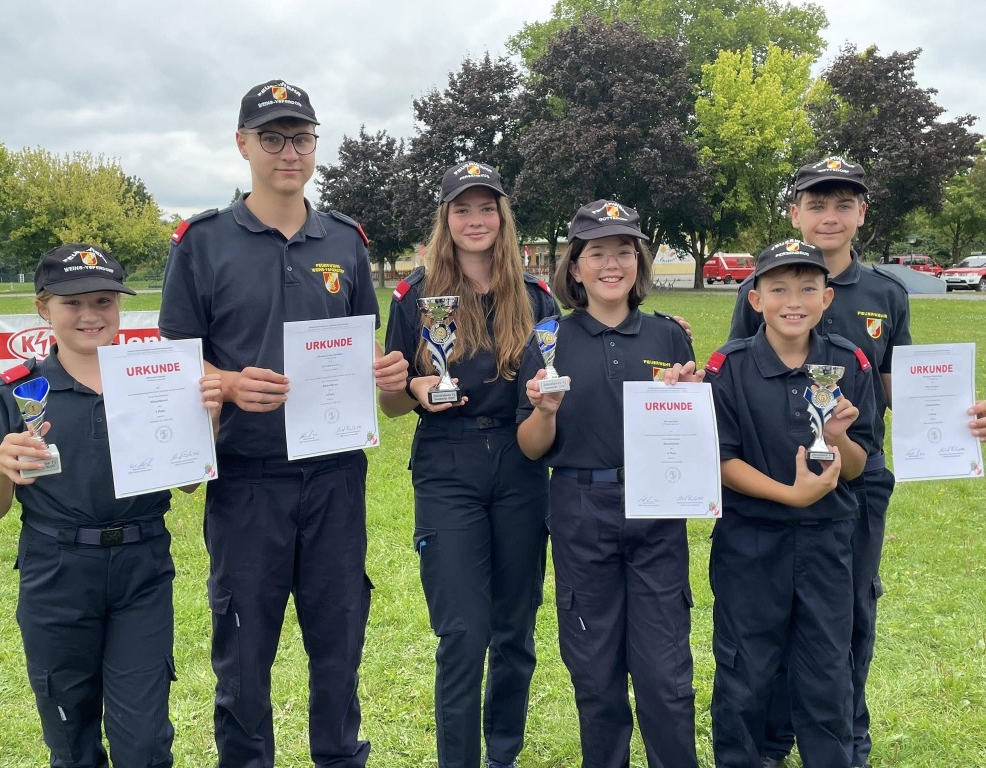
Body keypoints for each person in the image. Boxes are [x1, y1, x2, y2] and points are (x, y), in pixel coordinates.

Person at [158, 79, 408, 768]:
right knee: (243, 656)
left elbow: (359, 354)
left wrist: (382, 376)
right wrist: (230, 385)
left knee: (339, 648)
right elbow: (171, 373)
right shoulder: (202, 243)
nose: (287, 151)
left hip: (334, 480)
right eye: (271, 137)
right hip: (247, 483)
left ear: (315, 146)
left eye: (300, 137)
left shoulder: (346, 242)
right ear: (243, 144)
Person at [0, 243, 221, 768]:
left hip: (141, 568)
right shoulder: (17, 390)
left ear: (120, 307)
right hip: (56, 572)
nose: (90, 315)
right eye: (72, 303)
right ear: (43, 308)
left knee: (145, 739)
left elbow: (189, 485)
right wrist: (0, 466)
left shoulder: (156, 379)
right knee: (71, 734)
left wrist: (206, 423)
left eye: (104, 301)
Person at [727, 157, 911, 768]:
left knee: (841, 630)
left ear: (861, 213)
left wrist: (957, 415)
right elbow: (736, 389)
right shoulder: (744, 331)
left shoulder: (886, 294)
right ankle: (770, 744)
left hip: (850, 494)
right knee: (759, 644)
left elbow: (898, 388)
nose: (829, 216)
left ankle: (843, 746)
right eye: (816, 203)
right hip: (764, 504)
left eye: (842, 205)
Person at [379, 161, 558, 768]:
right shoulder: (413, 294)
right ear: (446, 218)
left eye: (487, 208)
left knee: (515, 630)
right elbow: (393, 402)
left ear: (502, 217)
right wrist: (410, 392)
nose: (475, 220)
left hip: (521, 461)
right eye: (463, 209)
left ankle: (502, 754)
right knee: (461, 634)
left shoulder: (535, 296)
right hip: (447, 463)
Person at [515, 200, 700, 768]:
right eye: (597, 252)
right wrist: (544, 410)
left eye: (624, 251)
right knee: (594, 671)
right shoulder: (547, 339)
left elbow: (694, 439)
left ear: (640, 261)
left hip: (657, 509)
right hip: (579, 507)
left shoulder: (669, 337)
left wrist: (681, 396)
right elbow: (530, 447)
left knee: (665, 674)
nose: (612, 264)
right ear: (575, 267)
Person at [707, 239, 877, 768]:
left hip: (827, 540)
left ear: (827, 298)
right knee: (745, 670)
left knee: (827, 669)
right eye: (778, 288)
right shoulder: (728, 367)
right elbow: (721, 461)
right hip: (751, 541)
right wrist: (789, 493)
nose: (793, 300)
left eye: (808, 288)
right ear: (755, 299)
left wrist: (839, 436)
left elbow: (857, 465)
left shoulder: (849, 362)